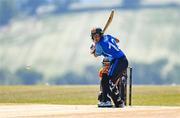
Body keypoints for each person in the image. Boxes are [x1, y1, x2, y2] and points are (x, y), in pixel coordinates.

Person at [90, 27, 128, 107]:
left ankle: (116, 102)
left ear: (100, 35)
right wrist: (103, 41)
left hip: (119, 61)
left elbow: (95, 54)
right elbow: (117, 40)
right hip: (120, 60)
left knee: (109, 82)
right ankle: (109, 100)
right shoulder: (108, 36)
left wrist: (93, 49)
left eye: (97, 36)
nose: (95, 38)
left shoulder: (99, 45)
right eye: (94, 36)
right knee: (106, 78)